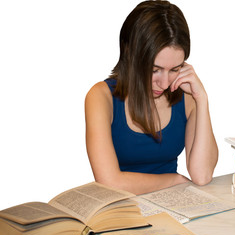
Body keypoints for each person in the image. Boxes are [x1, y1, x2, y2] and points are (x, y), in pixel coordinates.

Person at [85, 0, 218, 195]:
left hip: (172, 205)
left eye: (175, 69)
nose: (164, 84)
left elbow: (202, 175)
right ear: (131, 55)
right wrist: (175, 179)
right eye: (155, 70)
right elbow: (109, 182)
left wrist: (202, 99)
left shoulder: (187, 96)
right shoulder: (101, 97)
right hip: (120, 211)